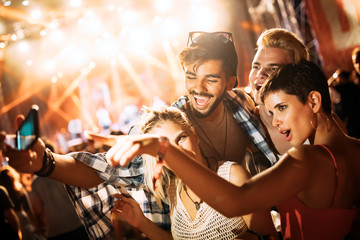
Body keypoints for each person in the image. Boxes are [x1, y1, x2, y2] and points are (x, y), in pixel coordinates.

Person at [0, 31, 278, 239]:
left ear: (231, 82)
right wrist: (46, 163)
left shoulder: (247, 106)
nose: (198, 88)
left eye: (211, 79)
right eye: (191, 76)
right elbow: (105, 169)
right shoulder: (169, 123)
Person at [106, 60, 360, 239]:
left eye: (281, 107)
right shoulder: (355, 150)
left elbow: (235, 202)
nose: (275, 121)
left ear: (314, 100)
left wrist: (162, 149)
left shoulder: (306, 159)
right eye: (270, 113)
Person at [110, 106, 278, 239]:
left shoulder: (231, 175)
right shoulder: (173, 190)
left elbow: (269, 236)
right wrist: (141, 223)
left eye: (181, 138)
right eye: (165, 148)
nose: (178, 152)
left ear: (195, 135)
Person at [249, 28, 309, 156]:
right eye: (256, 67)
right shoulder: (243, 126)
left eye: (273, 68)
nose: (260, 74)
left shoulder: (315, 123)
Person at [31, 139, 90, 240]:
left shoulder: (35, 182)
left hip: (55, 231)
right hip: (77, 223)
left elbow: (38, 209)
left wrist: (40, 226)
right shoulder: (67, 171)